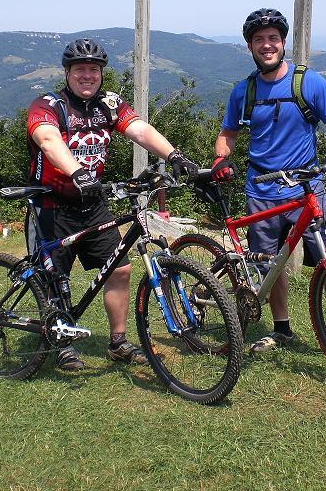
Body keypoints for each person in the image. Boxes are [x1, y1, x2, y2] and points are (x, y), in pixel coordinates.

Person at [211, 8, 326, 364]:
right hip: (262, 190)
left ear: (283, 43)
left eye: (272, 38)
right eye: (259, 40)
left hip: (306, 188)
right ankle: (281, 328)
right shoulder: (245, 91)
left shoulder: (309, 83)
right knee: (272, 265)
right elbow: (228, 133)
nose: (266, 45)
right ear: (250, 47)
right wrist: (221, 159)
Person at [26, 38, 199, 371]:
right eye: (80, 70)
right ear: (67, 73)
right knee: (54, 276)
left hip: (92, 202)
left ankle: (118, 342)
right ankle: (59, 342)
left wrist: (174, 155)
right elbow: (47, 139)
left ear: (102, 73)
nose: (87, 75)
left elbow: (140, 130)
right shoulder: (47, 105)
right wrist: (77, 171)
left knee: (118, 267)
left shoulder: (108, 103)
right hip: (51, 203)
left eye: (94, 69)